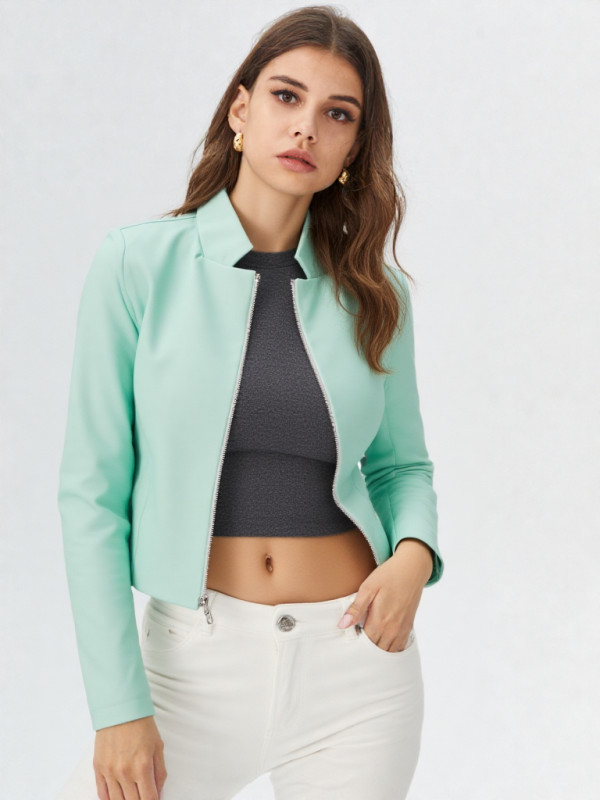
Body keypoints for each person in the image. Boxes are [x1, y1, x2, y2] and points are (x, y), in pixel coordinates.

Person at [56, 6, 444, 800]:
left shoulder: (377, 294)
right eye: (286, 97)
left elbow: (401, 465)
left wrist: (415, 556)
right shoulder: (137, 265)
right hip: (189, 666)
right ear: (241, 110)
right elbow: (90, 497)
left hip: (357, 668)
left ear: (353, 149)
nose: (306, 128)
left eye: (338, 114)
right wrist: (117, 708)